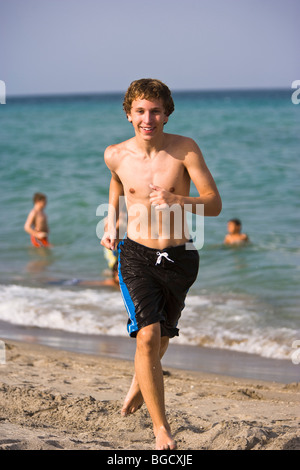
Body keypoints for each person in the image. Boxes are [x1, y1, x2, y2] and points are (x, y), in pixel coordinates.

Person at [101, 78, 222, 450]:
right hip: (135, 254)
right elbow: (117, 184)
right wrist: (112, 220)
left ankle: (142, 379)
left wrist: (177, 200)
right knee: (148, 336)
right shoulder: (115, 154)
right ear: (128, 115)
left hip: (180, 258)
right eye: (140, 111)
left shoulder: (185, 150)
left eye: (155, 110)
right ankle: (161, 431)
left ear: (167, 113)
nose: (147, 118)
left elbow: (214, 204)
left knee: (163, 336)